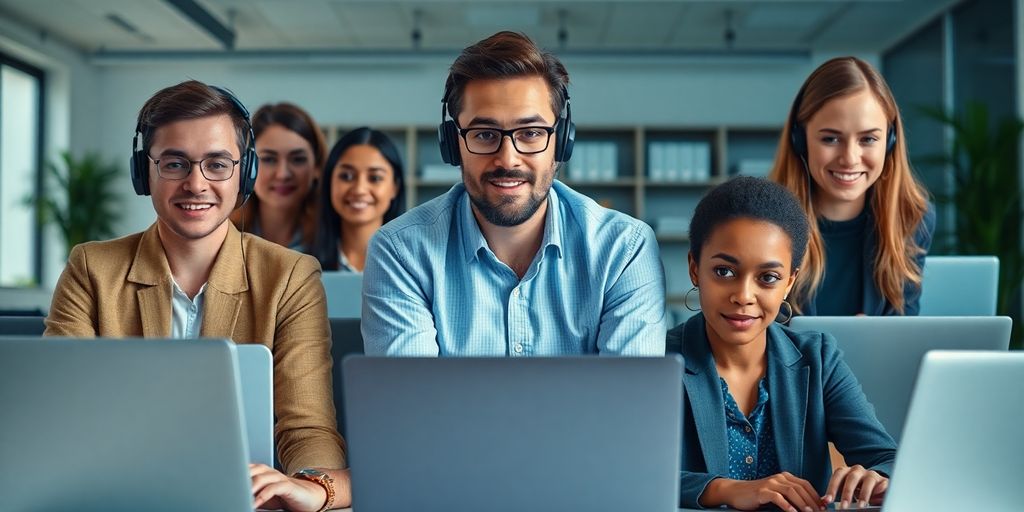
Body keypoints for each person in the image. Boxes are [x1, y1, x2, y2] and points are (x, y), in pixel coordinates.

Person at [44, 80, 350, 511]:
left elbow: (307, 428)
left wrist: (311, 485)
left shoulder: (290, 276)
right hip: (115, 496)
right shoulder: (92, 268)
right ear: (143, 172)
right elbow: (58, 410)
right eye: (174, 164)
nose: (196, 183)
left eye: (217, 164)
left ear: (245, 172)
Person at [361, 31, 665, 356]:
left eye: (531, 133)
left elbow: (628, 403)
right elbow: (408, 401)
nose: (507, 159)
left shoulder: (624, 249)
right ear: (453, 143)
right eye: (484, 134)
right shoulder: (401, 252)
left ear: (561, 141)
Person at [668, 177, 896, 511]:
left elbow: (885, 458)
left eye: (768, 278)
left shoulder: (817, 357)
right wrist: (725, 490)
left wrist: (876, 477)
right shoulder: (659, 358)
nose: (744, 296)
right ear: (694, 269)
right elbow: (627, 471)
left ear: (789, 282)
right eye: (724, 271)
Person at [769, 56, 935, 316]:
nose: (849, 158)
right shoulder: (765, 221)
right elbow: (755, 335)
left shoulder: (911, 217)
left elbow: (904, 325)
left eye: (868, 139)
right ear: (800, 139)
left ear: (890, 141)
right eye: (831, 138)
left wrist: (875, 338)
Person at [231, 102, 324, 253]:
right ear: (247, 166)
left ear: (317, 166)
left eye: (297, 159)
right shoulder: (222, 234)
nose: (283, 174)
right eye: (269, 159)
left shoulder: (333, 240)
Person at [313, 127, 405, 272]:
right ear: (329, 182)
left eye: (375, 178)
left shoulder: (413, 263)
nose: (359, 189)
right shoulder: (301, 265)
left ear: (395, 187)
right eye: (346, 176)